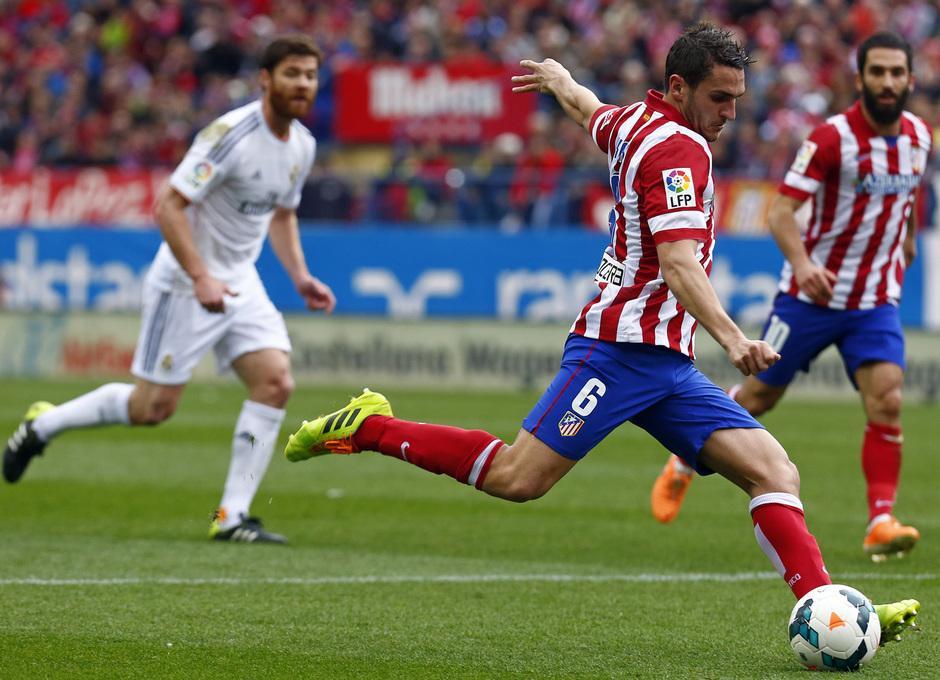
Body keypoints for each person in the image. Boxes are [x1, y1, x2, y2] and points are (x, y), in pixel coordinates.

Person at [283, 24, 919, 640]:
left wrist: (560, 79)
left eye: (737, 99)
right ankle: (369, 427)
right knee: (516, 478)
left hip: (667, 366)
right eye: (720, 98)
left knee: (775, 472)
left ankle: (831, 613)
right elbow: (678, 263)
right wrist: (732, 338)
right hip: (616, 353)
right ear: (678, 87)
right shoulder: (679, 149)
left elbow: (588, 108)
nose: (731, 113)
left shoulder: (634, 121)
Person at [3, 35, 336, 544]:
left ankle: (231, 516)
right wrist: (201, 275)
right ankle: (43, 425)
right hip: (185, 280)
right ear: (266, 79)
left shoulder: (303, 146)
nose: (303, 84)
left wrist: (300, 276)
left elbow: (283, 215)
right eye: (292, 73)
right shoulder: (229, 136)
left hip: (240, 280)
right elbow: (168, 205)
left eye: (310, 75)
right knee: (152, 409)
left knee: (276, 382)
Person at [650, 32, 929, 563]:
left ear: (911, 79)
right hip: (809, 299)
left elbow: (909, 195)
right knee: (759, 397)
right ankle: (684, 460)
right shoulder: (831, 139)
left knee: (888, 400)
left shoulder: (919, 137)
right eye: (878, 72)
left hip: (873, 301)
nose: (888, 82)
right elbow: (781, 213)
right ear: (861, 78)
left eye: (897, 73)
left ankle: (880, 521)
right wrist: (803, 264)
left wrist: (908, 242)